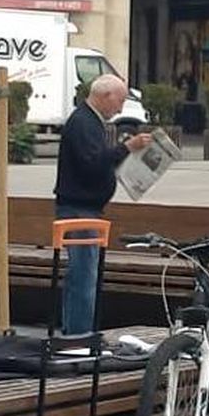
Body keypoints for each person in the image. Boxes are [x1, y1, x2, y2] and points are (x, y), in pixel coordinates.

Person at [53, 74, 151, 336]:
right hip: (79, 209)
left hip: (85, 208)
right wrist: (126, 147)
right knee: (83, 278)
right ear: (105, 96)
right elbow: (93, 163)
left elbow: (96, 161)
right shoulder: (84, 122)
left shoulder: (88, 121)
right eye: (119, 101)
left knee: (84, 277)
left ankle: (77, 332)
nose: (120, 109)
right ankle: (78, 336)